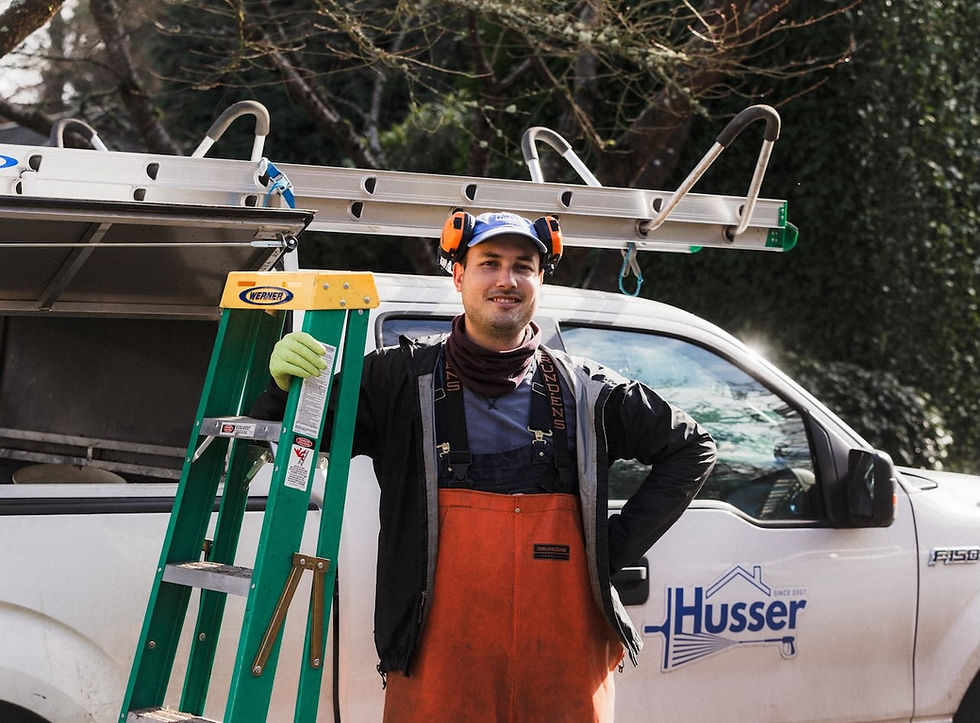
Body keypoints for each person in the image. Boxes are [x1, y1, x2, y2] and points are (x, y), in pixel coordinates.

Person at [252, 211, 717, 722]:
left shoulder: (590, 392)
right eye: (489, 263)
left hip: (563, 671)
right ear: (458, 275)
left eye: (523, 266)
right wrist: (285, 386)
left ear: (541, 279)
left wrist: (610, 548)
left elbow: (692, 447)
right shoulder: (396, 380)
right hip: (439, 667)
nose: (506, 279)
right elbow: (298, 436)